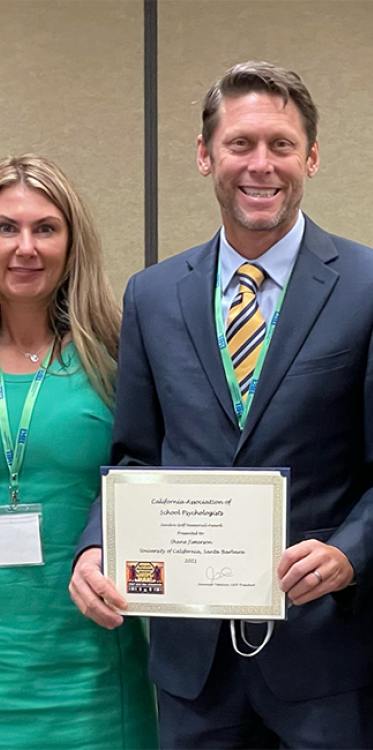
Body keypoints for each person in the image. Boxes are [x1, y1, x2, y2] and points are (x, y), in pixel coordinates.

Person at [69, 61, 373, 749]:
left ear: (312, 157)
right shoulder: (153, 295)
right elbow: (137, 456)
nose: (260, 165)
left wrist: (351, 553)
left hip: (328, 657)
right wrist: (97, 545)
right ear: (206, 156)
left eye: (281, 145)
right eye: (240, 144)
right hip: (192, 664)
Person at [0, 155, 158, 750]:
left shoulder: (115, 355)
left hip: (94, 666)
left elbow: (152, 477)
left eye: (45, 228)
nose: (25, 247)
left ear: (71, 243)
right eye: (6, 228)